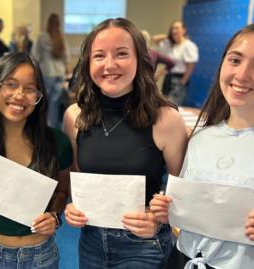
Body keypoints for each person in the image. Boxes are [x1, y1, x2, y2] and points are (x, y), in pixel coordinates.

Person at [150, 22, 254, 269]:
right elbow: (198, 211)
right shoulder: (200, 138)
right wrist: (167, 212)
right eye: (235, 60)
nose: (242, 75)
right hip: (183, 260)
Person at [63, 18, 188, 268]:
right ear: (88, 63)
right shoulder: (75, 116)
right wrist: (73, 208)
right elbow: (79, 178)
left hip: (144, 245)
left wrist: (158, 218)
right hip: (91, 241)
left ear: (140, 60)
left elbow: (184, 194)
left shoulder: (165, 119)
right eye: (99, 56)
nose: (109, 65)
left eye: (121, 54)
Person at [0, 52, 72, 269]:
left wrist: (54, 216)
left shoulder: (57, 142)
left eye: (30, 88)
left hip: (41, 255)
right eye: (10, 84)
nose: (19, 95)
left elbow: (62, 192)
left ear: (38, 96)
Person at [32, 13, 70, 129]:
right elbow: (67, 57)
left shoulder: (41, 37)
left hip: (47, 73)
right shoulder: (61, 37)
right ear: (59, 24)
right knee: (55, 103)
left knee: (45, 103)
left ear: (48, 23)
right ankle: (54, 128)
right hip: (60, 73)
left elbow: (35, 56)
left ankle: (44, 128)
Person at [153, 20, 198, 106]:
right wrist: (170, 36)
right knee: (164, 105)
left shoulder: (188, 45)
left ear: (184, 30)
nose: (174, 31)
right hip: (168, 78)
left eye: (177, 28)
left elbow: (190, 66)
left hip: (179, 79)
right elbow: (155, 39)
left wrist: (183, 82)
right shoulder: (171, 45)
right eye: (172, 29)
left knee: (173, 105)